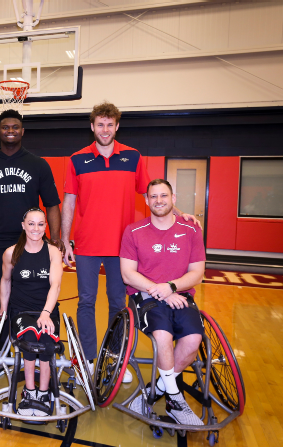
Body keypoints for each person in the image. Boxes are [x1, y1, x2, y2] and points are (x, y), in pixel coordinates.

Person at [60, 101, 198, 380]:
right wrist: (64, 240)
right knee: (86, 302)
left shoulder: (132, 157)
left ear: (117, 126)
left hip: (122, 246)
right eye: (100, 124)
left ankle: (114, 359)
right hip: (87, 244)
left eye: (110, 124)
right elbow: (70, 201)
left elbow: (152, 195)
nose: (105, 129)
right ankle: (87, 359)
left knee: (118, 304)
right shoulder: (77, 159)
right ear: (92, 127)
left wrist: (180, 214)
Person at [120, 179, 205, 425]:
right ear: (146, 201)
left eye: (164, 196)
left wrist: (171, 287)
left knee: (193, 340)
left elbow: (196, 273)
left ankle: (155, 390)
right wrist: (161, 291)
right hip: (146, 296)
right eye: (153, 197)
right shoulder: (133, 231)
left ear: (173, 198)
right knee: (163, 337)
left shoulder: (191, 230)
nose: (159, 201)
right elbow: (128, 274)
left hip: (181, 296)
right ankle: (176, 400)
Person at [0, 109, 62, 320]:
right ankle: (1, 347)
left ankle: (27, 343)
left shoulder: (38, 164)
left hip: (30, 241)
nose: (10, 131)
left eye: (15, 127)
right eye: (5, 127)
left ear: (23, 131)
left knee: (31, 294)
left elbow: (52, 204)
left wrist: (55, 238)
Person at [0, 208, 63, 417]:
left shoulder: (53, 252)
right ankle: (29, 391)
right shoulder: (11, 253)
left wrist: (46, 313)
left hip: (47, 310)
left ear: (45, 227)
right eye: (31, 223)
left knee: (47, 340)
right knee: (31, 338)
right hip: (21, 310)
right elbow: (5, 281)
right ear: (23, 226)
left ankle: (43, 392)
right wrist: (3, 311)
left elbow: (55, 286)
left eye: (41, 224)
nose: (36, 228)